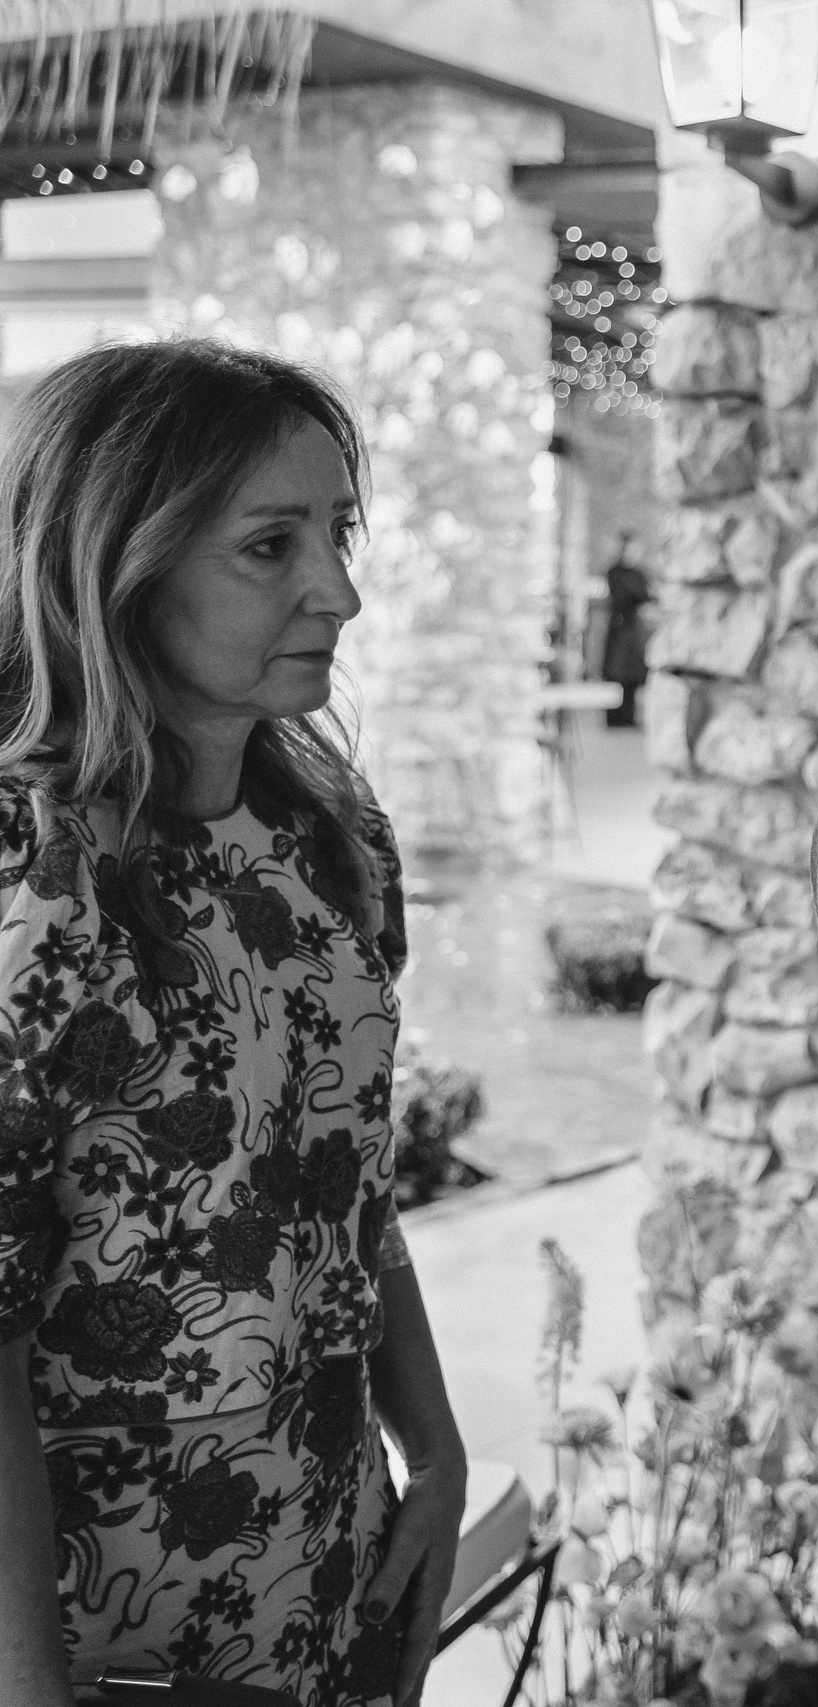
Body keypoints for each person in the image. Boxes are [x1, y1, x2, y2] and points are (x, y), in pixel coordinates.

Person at [0, 342, 465, 1707]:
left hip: (329, 1556)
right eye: (271, 545)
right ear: (116, 560)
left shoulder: (331, 835)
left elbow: (346, 1176)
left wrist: (430, 1449)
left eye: (337, 531)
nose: (343, 590)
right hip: (104, 1626)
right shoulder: (33, 887)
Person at [597, 529, 651, 729]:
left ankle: (629, 715)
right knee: (617, 672)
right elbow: (628, 595)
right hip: (620, 627)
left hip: (633, 628)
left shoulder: (638, 573)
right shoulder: (615, 572)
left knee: (632, 675)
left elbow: (644, 594)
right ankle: (614, 717)